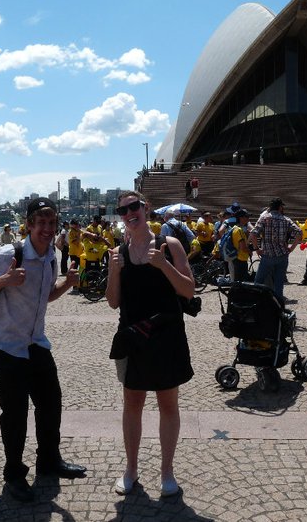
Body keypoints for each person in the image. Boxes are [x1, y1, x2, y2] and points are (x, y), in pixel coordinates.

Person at [0, 197, 85, 503]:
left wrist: (68, 284)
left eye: (52, 223)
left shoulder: (50, 256)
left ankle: (49, 461)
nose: (47, 229)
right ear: (29, 224)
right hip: (6, 345)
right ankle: (14, 474)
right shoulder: (11, 253)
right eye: (41, 223)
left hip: (35, 342)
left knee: (51, 403)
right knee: (15, 414)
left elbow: (45, 297)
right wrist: (5, 279)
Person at [105, 191, 194, 498]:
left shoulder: (170, 246)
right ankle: (131, 469)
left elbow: (189, 291)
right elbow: (113, 301)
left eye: (134, 206)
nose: (130, 213)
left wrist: (164, 267)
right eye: (123, 210)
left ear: (146, 208)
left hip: (166, 335)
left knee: (168, 404)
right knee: (132, 404)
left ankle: (167, 472)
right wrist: (114, 272)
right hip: (133, 337)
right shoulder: (118, 252)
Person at [249, 197, 301, 300]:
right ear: (280, 207)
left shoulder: (264, 218)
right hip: (282, 255)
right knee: (279, 283)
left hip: (267, 255)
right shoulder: (286, 219)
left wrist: (257, 249)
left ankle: (254, 302)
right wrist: (292, 247)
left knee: (258, 281)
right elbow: (299, 232)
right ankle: (278, 306)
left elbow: (253, 233)